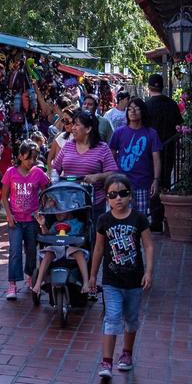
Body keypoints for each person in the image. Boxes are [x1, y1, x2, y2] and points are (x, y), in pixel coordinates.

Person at [32, 110, 116, 293]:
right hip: (66, 205)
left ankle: (90, 279)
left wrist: (97, 177)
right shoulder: (68, 146)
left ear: (88, 128)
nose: (73, 128)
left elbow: (112, 173)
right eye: (74, 124)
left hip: (92, 203)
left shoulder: (102, 148)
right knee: (61, 236)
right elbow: (55, 169)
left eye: (78, 124)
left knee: (92, 242)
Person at [85, 174, 155, 381]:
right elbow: (98, 249)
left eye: (123, 193)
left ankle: (127, 354)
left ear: (130, 195)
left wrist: (149, 271)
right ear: (107, 198)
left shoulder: (139, 219)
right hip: (111, 281)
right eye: (113, 195)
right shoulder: (104, 220)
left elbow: (149, 245)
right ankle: (107, 360)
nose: (118, 199)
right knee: (112, 317)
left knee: (131, 320)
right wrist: (92, 276)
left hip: (134, 281)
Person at [0, 140, 48, 300]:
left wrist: (43, 209)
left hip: (32, 220)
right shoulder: (10, 173)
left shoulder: (38, 173)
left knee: (32, 250)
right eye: (28, 158)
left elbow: (47, 191)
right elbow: (4, 197)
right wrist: (9, 214)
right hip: (16, 220)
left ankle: (30, 276)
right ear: (20, 156)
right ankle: (12, 284)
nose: (31, 162)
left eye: (34, 158)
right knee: (14, 251)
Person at [141, 73, 183, 228]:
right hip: (168, 149)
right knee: (164, 181)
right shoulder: (172, 104)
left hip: (149, 152)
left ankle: (156, 219)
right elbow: (179, 127)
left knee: (152, 182)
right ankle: (164, 216)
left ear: (148, 87)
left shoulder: (146, 106)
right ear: (163, 86)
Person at [109, 102, 162, 217]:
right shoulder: (119, 132)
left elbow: (156, 159)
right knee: (121, 217)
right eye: (130, 109)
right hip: (121, 183)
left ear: (142, 112)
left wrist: (156, 180)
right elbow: (111, 155)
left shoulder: (151, 133)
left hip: (143, 182)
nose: (133, 112)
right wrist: (113, 177)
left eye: (136, 109)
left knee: (141, 219)